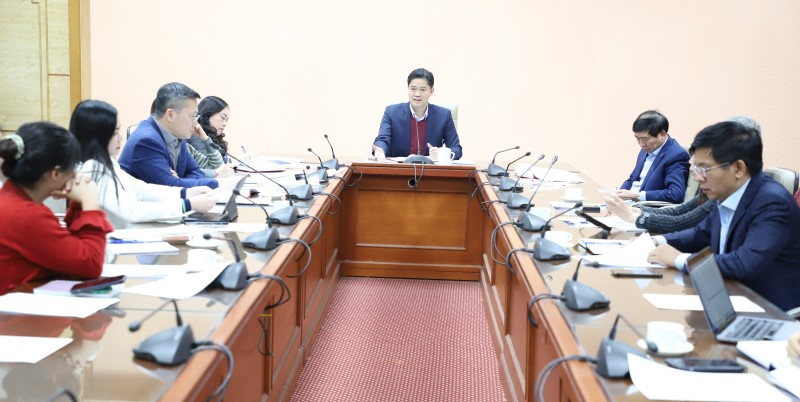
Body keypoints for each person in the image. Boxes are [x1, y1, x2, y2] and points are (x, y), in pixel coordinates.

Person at [648, 121, 800, 311]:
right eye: (695, 169)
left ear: (738, 168)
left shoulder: (772, 202)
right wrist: (656, 241)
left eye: (704, 169)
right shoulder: (729, 192)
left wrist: (680, 259)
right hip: (727, 296)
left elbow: (744, 264)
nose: (698, 178)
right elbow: (701, 235)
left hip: (768, 311)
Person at [0, 122, 112, 295]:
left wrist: (78, 205)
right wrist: (90, 203)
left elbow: (67, 256)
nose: (76, 175)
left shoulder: (13, 200)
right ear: (55, 174)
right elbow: (91, 265)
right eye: (74, 167)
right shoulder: (25, 214)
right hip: (14, 310)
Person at [70, 100, 218, 229]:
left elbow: (142, 190)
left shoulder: (105, 163)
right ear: (97, 137)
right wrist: (187, 204)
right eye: (115, 133)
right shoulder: (92, 170)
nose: (120, 138)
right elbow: (132, 212)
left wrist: (185, 193)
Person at [606, 116, 762, 233]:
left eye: (704, 168)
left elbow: (682, 221)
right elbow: (682, 215)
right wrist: (634, 211)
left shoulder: (765, 200)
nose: (697, 177)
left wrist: (633, 215)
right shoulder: (723, 187)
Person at [119, 82, 219, 189]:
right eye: (192, 116)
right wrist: (218, 183)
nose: (195, 123)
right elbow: (168, 187)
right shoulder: (146, 141)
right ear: (170, 115)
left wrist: (179, 181)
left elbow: (196, 172)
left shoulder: (178, 135)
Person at [372, 68, 462, 161]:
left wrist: (441, 154)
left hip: (430, 168)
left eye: (422, 90)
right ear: (408, 89)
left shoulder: (444, 115)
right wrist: (380, 150)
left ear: (431, 91)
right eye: (413, 89)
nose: (417, 94)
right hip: (399, 168)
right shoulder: (391, 112)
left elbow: (456, 149)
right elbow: (382, 139)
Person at [617, 110, 689, 204]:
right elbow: (633, 179)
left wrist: (637, 195)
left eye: (645, 139)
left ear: (662, 134)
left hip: (647, 208)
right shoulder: (646, 149)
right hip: (629, 204)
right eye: (637, 138)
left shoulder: (676, 156)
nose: (641, 144)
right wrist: (618, 195)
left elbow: (676, 194)